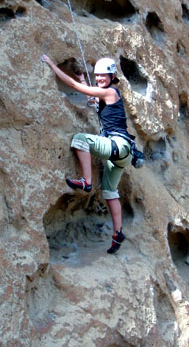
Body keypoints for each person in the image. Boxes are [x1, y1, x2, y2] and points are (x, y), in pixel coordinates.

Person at [41, 54, 134, 254]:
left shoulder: (110, 92)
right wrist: (84, 77)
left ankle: (86, 181)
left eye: (103, 76)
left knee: (79, 140)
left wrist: (51, 64)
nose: (99, 78)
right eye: (97, 76)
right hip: (122, 152)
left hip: (116, 146)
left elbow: (76, 88)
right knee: (110, 192)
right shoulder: (106, 94)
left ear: (112, 77)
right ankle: (118, 233)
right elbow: (91, 97)